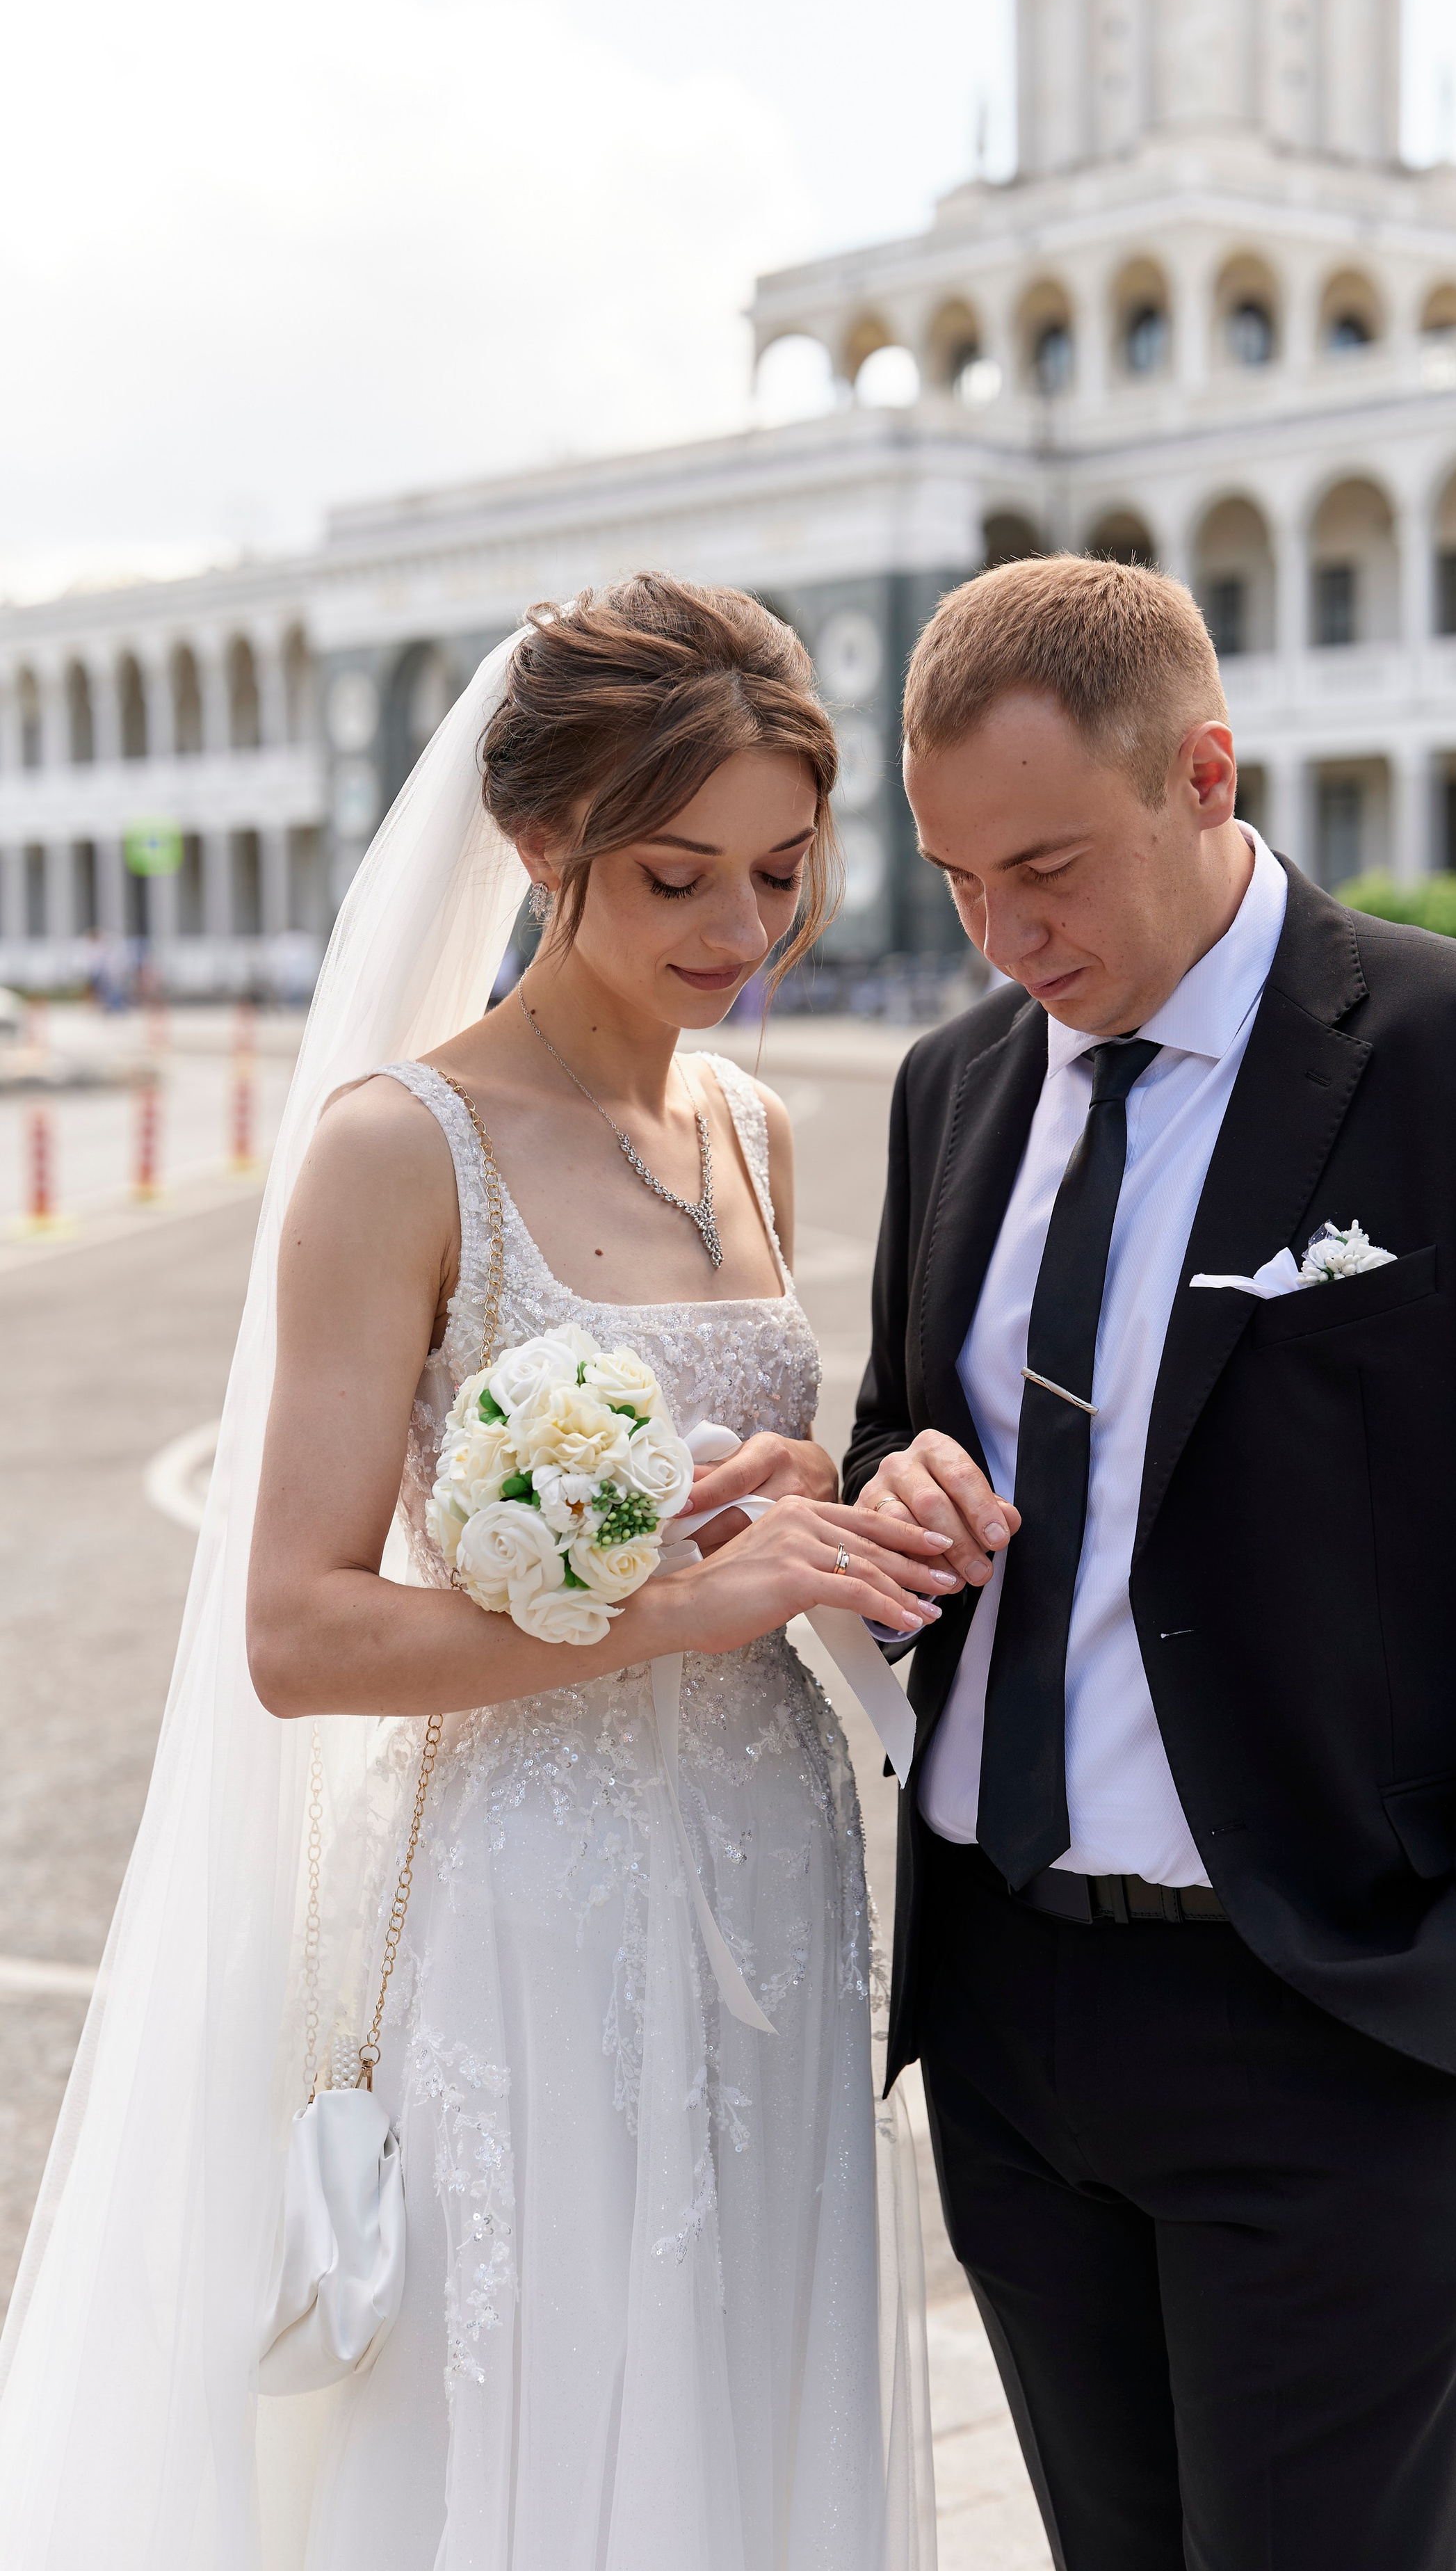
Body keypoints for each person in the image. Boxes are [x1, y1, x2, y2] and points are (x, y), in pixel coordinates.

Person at [0, 579, 940, 2570]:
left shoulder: (754, 1124)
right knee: (540, 2399)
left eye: (780, 872)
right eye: (678, 874)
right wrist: (662, 1604)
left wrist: (824, 1500)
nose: (740, 934)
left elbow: (739, 1509)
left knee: (749, 2381)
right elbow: (294, 1628)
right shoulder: (394, 1147)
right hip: (541, 1905)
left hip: (777, 1873)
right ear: (540, 847)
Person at [846, 556, 1456, 2570]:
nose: (1003, 932)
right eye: (957, 879)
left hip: (1331, 2013)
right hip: (1003, 2006)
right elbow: (909, 1410)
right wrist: (899, 1490)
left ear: (1207, 773)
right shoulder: (952, 1086)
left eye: (1044, 866)